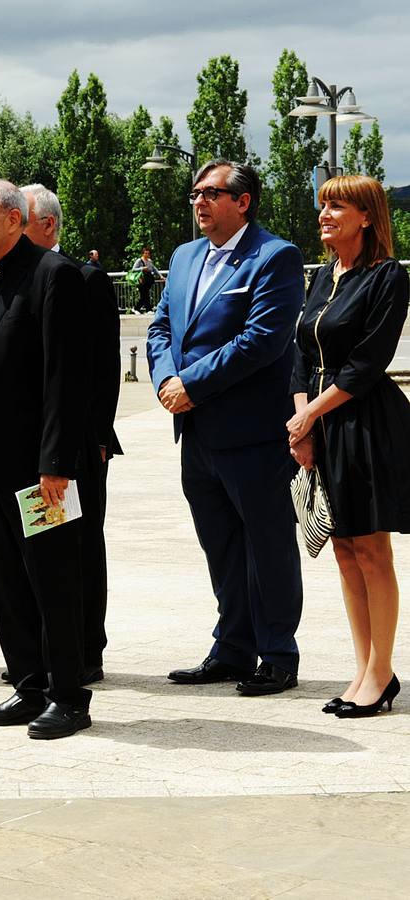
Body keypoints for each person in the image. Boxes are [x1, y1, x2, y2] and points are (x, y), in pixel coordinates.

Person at [146, 159, 306, 697]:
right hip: (196, 433)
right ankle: (232, 648)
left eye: (211, 193)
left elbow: (263, 340)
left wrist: (191, 383)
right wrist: (168, 379)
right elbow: (161, 328)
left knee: (267, 545)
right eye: (195, 193)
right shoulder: (184, 256)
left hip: (252, 433)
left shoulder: (275, 256)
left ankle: (278, 653)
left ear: (243, 201)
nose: (199, 202)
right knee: (220, 546)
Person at [0, 179, 93, 739]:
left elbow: (65, 378)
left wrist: (56, 464)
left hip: (40, 473)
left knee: (52, 578)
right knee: (7, 579)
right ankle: (29, 684)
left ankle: (69, 695)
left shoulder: (56, 278)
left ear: (14, 218)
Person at [287, 174, 410, 718]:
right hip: (321, 423)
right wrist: (302, 422)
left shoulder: (387, 277)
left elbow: (367, 363)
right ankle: (362, 669)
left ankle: (381, 673)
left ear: (366, 216)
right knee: (340, 549)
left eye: (337, 206)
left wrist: (311, 413)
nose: (325, 215)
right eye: (323, 206)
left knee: (371, 549)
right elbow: (300, 356)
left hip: (365, 424)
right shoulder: (322, 275)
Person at [20, 184, 120, 684]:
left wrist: (97, 438)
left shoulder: (85, 278)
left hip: (77, 448)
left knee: (77, 545)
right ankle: (45, 648)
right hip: (28, 446)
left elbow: (102, 367)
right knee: (40, 548)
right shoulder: (11, 280)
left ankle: (85, 648)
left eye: (23, 219)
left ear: (48, 226)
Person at [131, 247, 161, 312]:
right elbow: (133, 269)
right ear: (143, 254)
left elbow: (154, 269)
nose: (147, 254)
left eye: (148, 253)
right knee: (144, 295)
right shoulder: (139, 260)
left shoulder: (150, 261)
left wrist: (160, 276)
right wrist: (142, 268)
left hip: (147, 281)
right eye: (145, 253)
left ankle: (138, 308)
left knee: (145, 295)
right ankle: (144, 309)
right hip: (141, 280)